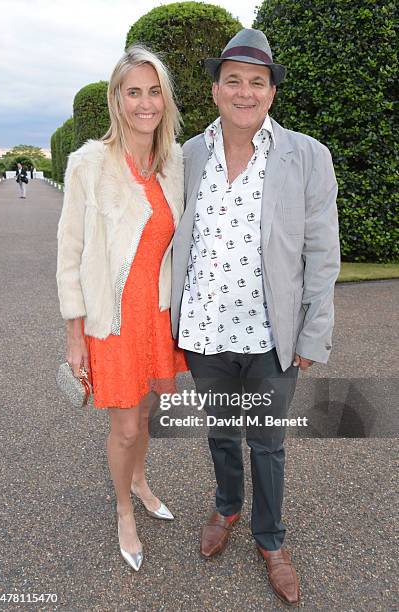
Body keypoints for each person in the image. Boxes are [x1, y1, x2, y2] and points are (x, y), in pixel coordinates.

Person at [171, 29, 340, 606]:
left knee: (267, 441)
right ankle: (227, 507)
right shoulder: (188, 154)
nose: (246, 92)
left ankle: (271, 539)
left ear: (271, 92)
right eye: (234, 81)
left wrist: (315, 329)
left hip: (272, 332)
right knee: (220, 431)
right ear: (216, 90)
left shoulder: (308, 155)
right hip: (205, 328)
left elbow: (322, 251)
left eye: (257, 82)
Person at [56, 45, 187, 572]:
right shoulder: (89, 164)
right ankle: (122, 511)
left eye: (154, 91)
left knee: (147, 412)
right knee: (126, 427)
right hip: (111, 321)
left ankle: (140, 480)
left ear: (165, 100)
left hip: (156, 316)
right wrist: (74, 335)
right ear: (117, 99)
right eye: (133, 92)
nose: (145, 103)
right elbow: (69, 251)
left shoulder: (174, 164)